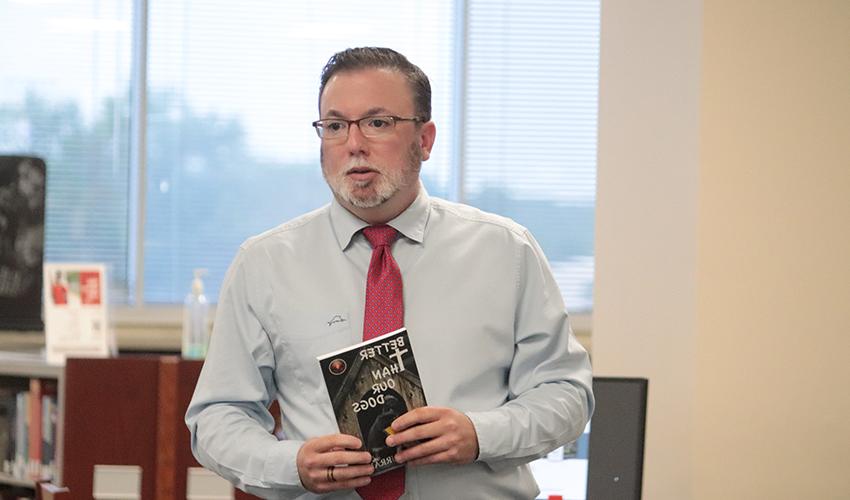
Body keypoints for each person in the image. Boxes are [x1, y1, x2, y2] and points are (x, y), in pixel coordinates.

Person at [186, 47, 594, 499]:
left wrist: (480, 434)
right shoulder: (264, 264)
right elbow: (217, 417)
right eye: (336, 126)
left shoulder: (505, 251)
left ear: (425, 139)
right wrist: (292, 464)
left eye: (378, 123)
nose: (354, 144)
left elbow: (567, 394)